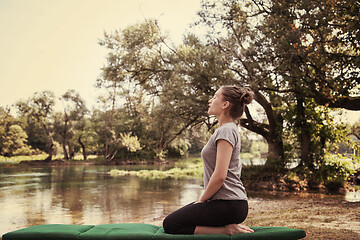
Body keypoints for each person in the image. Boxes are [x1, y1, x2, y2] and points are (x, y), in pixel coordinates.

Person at [163, 85, 255, 236]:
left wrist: (201, 200)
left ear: (225, 105)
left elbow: (220, 176)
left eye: (215, 97)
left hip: (229, 204)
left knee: (170, 224)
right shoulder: (226, 129)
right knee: (177, 221)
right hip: (229, 203)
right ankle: (225, 227)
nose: (210, 101)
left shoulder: (226, 130)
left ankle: (225, 230)